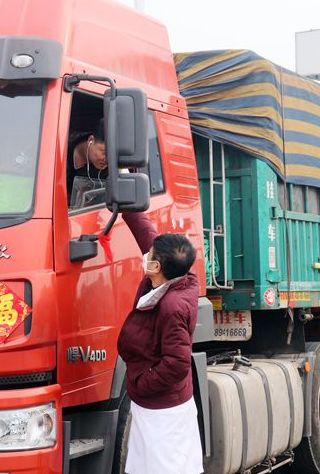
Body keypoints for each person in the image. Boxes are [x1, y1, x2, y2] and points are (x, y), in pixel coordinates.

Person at [117, 211, 203, 474]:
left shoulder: (173, 306)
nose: (147, 254)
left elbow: (177, 364)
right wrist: (126, 201)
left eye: (150, 255)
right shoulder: (170, 276)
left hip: (164, 411)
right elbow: (147, 234)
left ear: (157, 267)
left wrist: (142, 385)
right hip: (152, 405)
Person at [66, 121, 108, 204]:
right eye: (104, 153)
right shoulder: (60, 150)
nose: (107, 160)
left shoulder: (108, 170)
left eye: (112, 156)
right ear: (90, 140)